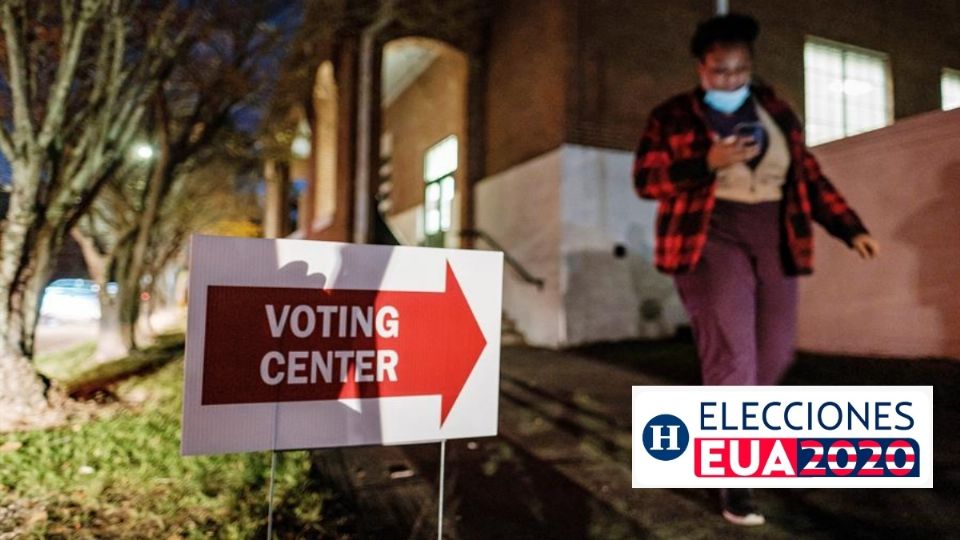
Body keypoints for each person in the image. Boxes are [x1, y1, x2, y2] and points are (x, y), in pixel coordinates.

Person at [632, 13, 880, 526]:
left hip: (774, 235)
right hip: (709, 234)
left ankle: (721, 434)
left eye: (740, 70)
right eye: (720, 71)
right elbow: (646, 180)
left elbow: (809, 177)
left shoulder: (777, 112)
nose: (731, 80)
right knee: (733, 355)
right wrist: (708, 161)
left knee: (773, 352)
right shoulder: (672, 116)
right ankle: (734, 479)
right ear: (701, 68)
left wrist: (848, 226)